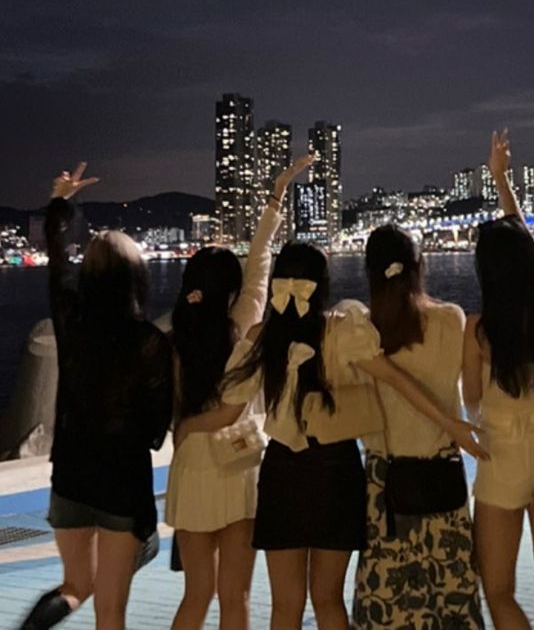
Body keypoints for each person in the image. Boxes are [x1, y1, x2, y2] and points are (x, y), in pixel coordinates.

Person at [227, 236, 485, 630]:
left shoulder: (262, 336)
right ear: (323, 285)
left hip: (283, 471)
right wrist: (452, 424)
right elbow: (398, 381)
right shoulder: (343, 330)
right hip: (337, 470)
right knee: (329, 600)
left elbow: (230, 401)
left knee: (285, 606)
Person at [18, 163, 173, 630]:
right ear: (136, 278)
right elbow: (153, 430)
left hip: (70, 476)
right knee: (110, 610)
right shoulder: (149, 341)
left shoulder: (71, 322)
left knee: (73, 587)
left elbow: (58, 265)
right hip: (121, 486)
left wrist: (60, 205)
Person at [167, 155, 313, 630]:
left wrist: (184, 427)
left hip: (191, 466)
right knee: (237, 597)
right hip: (239, 464)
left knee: (195, 596)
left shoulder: (176, 334)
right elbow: (261, 257)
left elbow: (172, 407)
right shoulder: (245, 320)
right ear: (230, 290)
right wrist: (277, 191)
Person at [462, 130, 534, 630]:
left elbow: (471, 401)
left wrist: (499, 178)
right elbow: (523, 240)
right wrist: (502, 181)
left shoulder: (479, 328)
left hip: (504, 453)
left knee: (499, 588)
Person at [352, 222, 487, 629]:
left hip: (385, 481)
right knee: (452, 597)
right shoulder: (451, 319)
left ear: (371, 274)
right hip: (441, 472)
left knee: (388, 602)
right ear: (419, 266)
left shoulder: (361, 330)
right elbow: (474, 393)